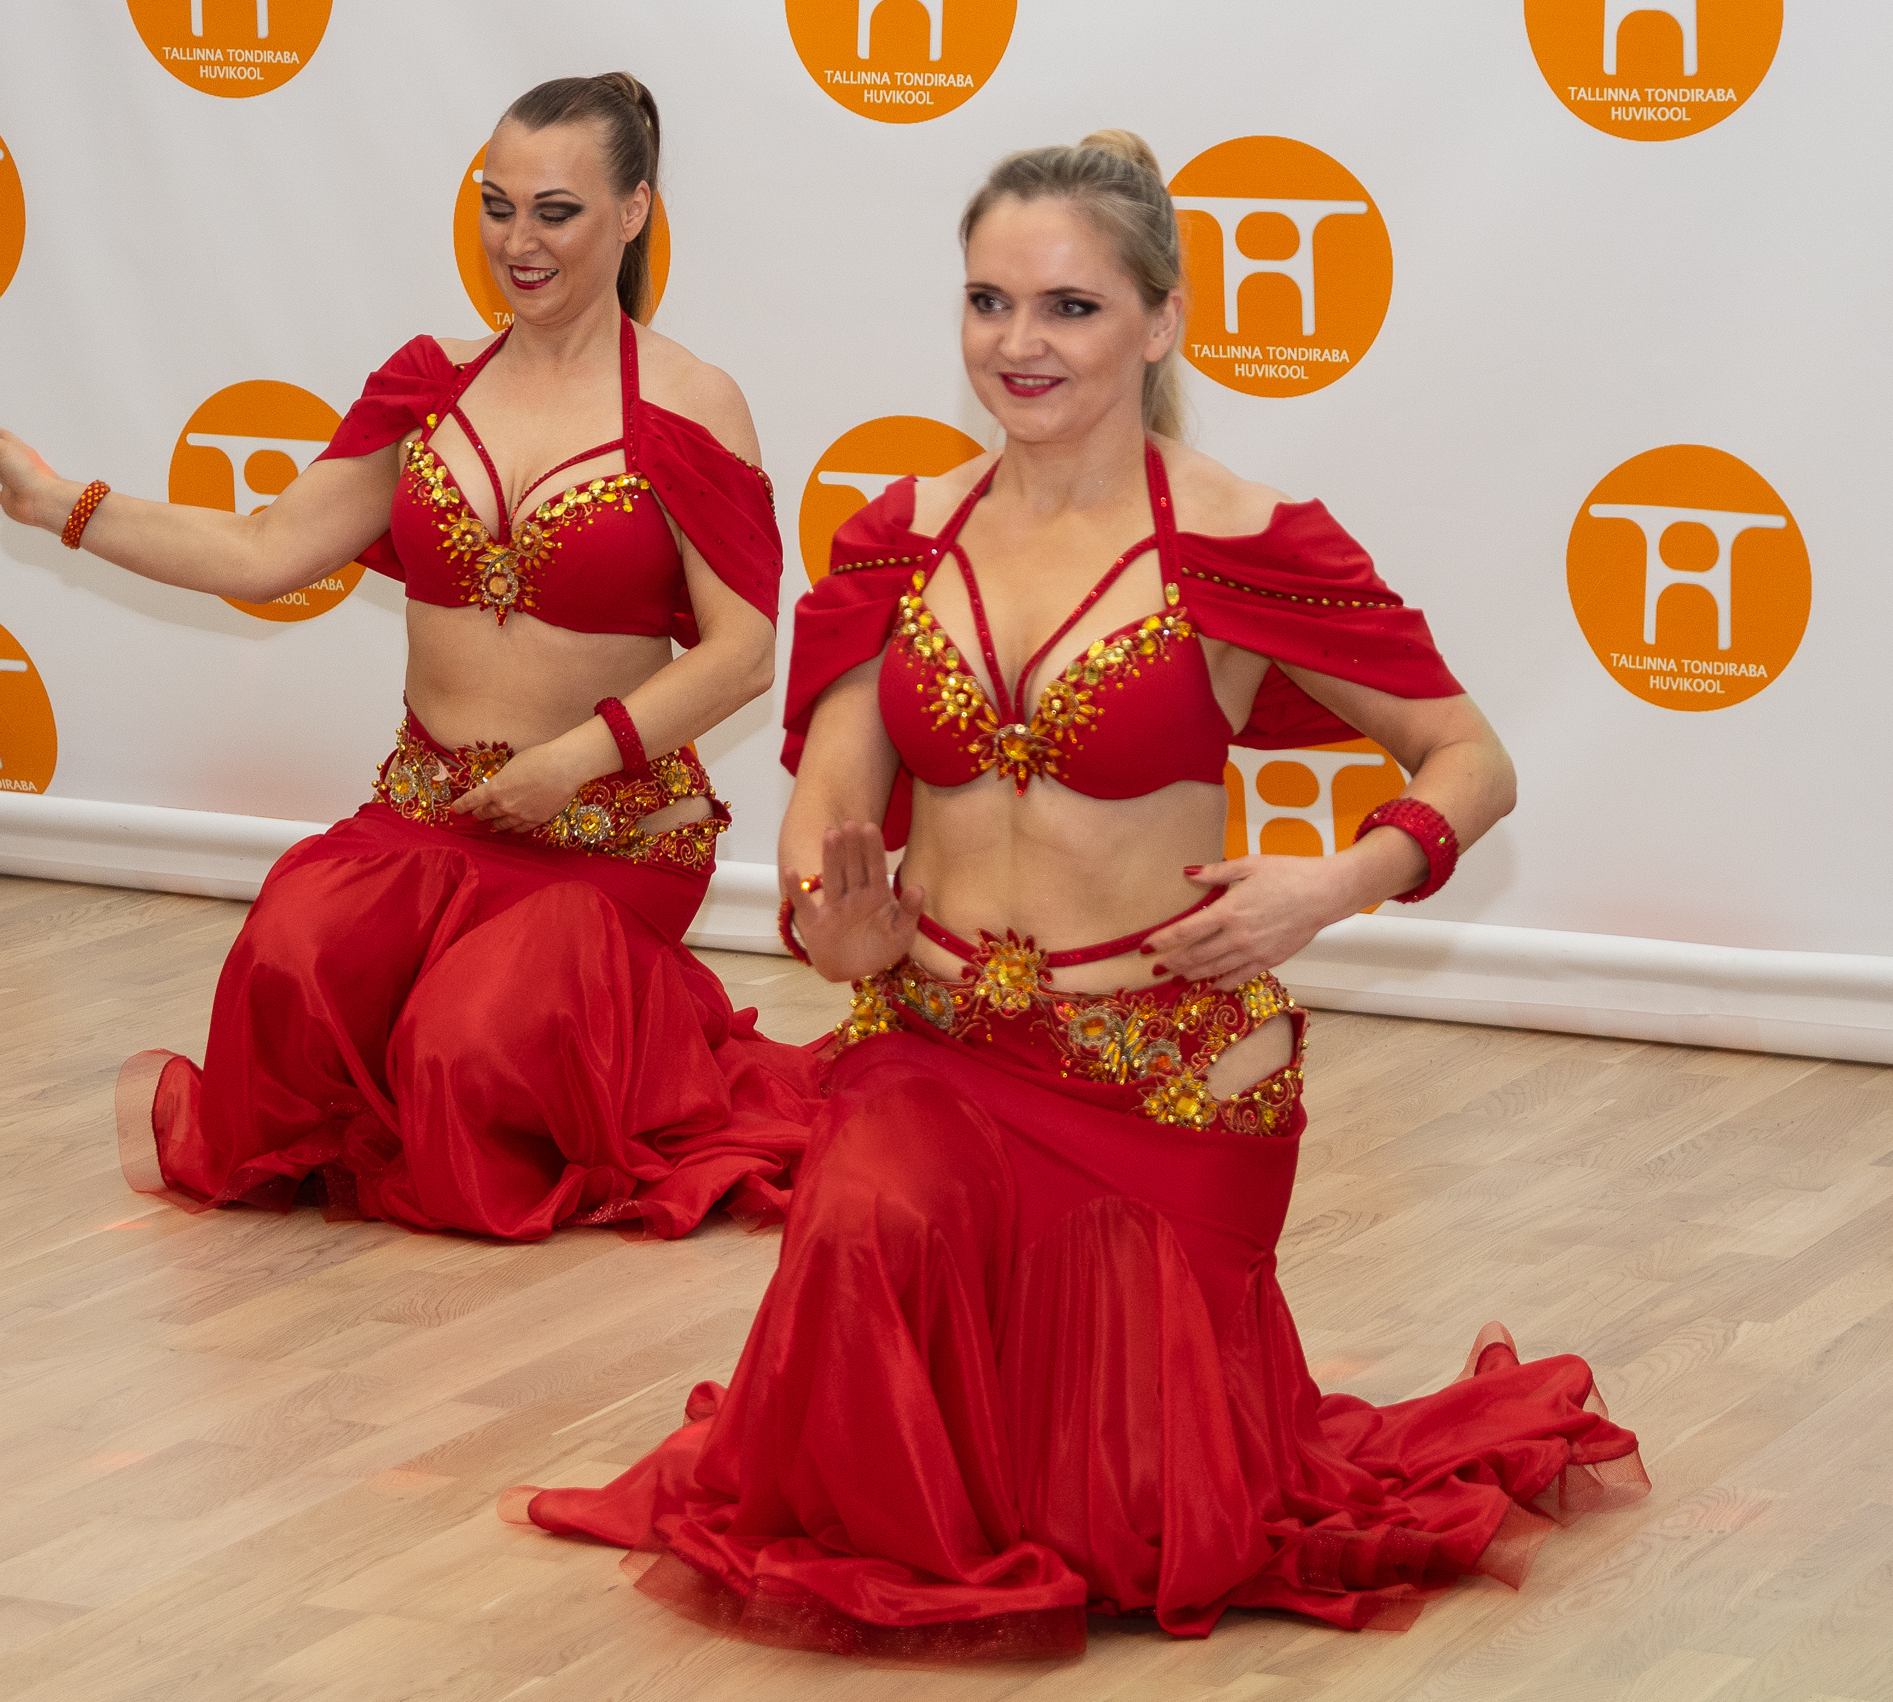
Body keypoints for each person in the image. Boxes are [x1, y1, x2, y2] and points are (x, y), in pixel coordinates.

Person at [507, 132, 1647, 1657]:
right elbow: (832, 811)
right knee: (864, 1239)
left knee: (1139, 1523)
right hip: (938, 1046)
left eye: (1069, 307)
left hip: (1167, 1074)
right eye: (989, 302)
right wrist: (830, 920)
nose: (1019, 343)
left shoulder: (1243, 541)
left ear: (1160, 321)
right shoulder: (899, 538)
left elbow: (1472, 759)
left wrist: (1332, 883)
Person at [0, 75, 818, 1242]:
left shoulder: (691, 403)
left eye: (556, 212)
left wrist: (570, 763)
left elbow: (745, 653)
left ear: (632, 214)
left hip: (606, 839)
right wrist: (68, 507)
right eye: (497, 206)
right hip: (435, 819)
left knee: (463, 1052)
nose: (518, 242)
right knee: (287, 961)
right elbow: (265, 549)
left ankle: (626, 1029)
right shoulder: (431, 384)